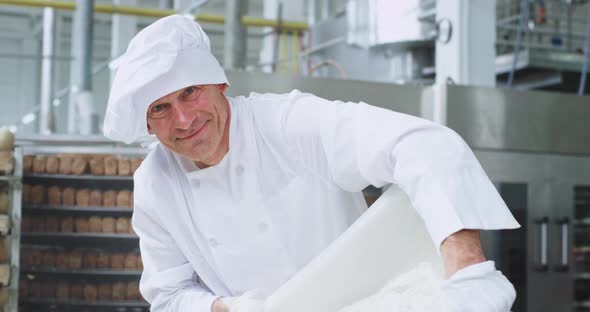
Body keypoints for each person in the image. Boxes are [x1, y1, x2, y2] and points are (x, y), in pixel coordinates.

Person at [104, 14, 520, 312]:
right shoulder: (154, 184)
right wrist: (226, 308)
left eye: (190, 92)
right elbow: (169, 296)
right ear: (147, 124)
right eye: (160, 108)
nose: (183, 119)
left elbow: (425, 145)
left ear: (219, 84)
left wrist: (467, 269)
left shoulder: (285, 123)